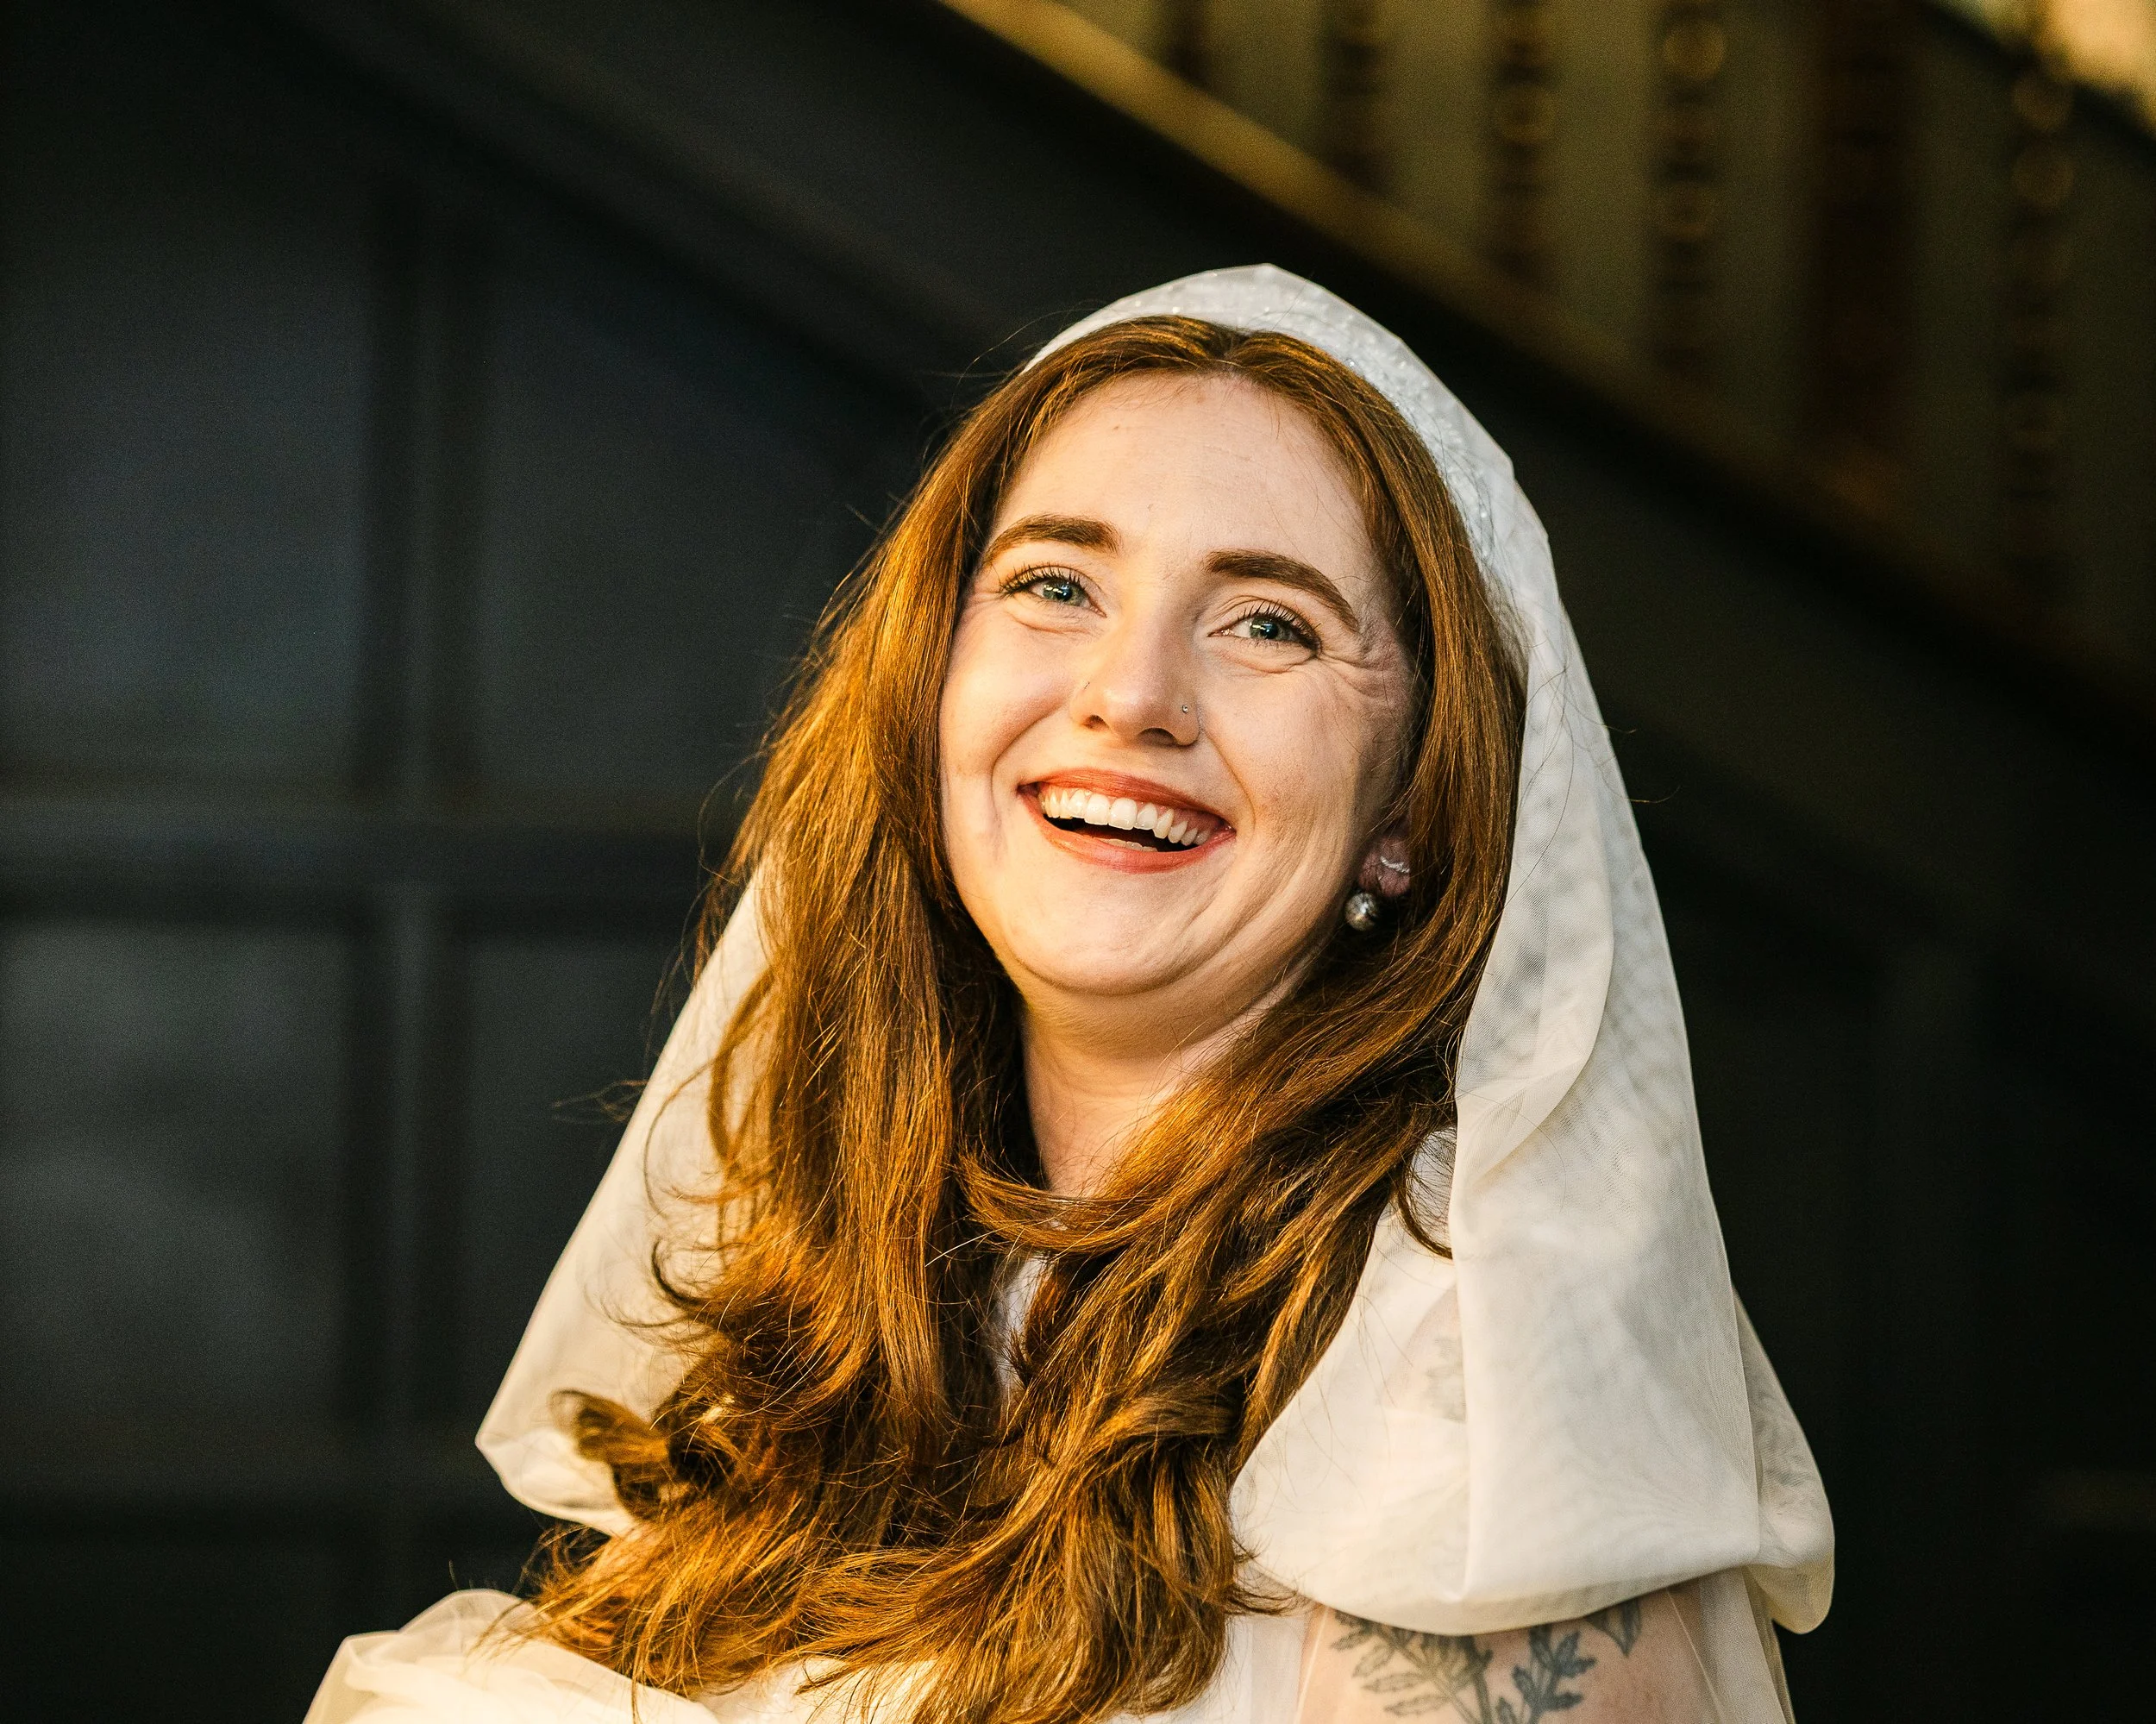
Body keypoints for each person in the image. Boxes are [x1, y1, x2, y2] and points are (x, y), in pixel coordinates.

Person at [308, 267, 1832, 1724]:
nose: (1131, 694)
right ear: (931, 682)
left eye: (1270, 622)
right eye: (1055, 583)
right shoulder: (863, 1299)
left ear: (1409, 813)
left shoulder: (1477, 1413)